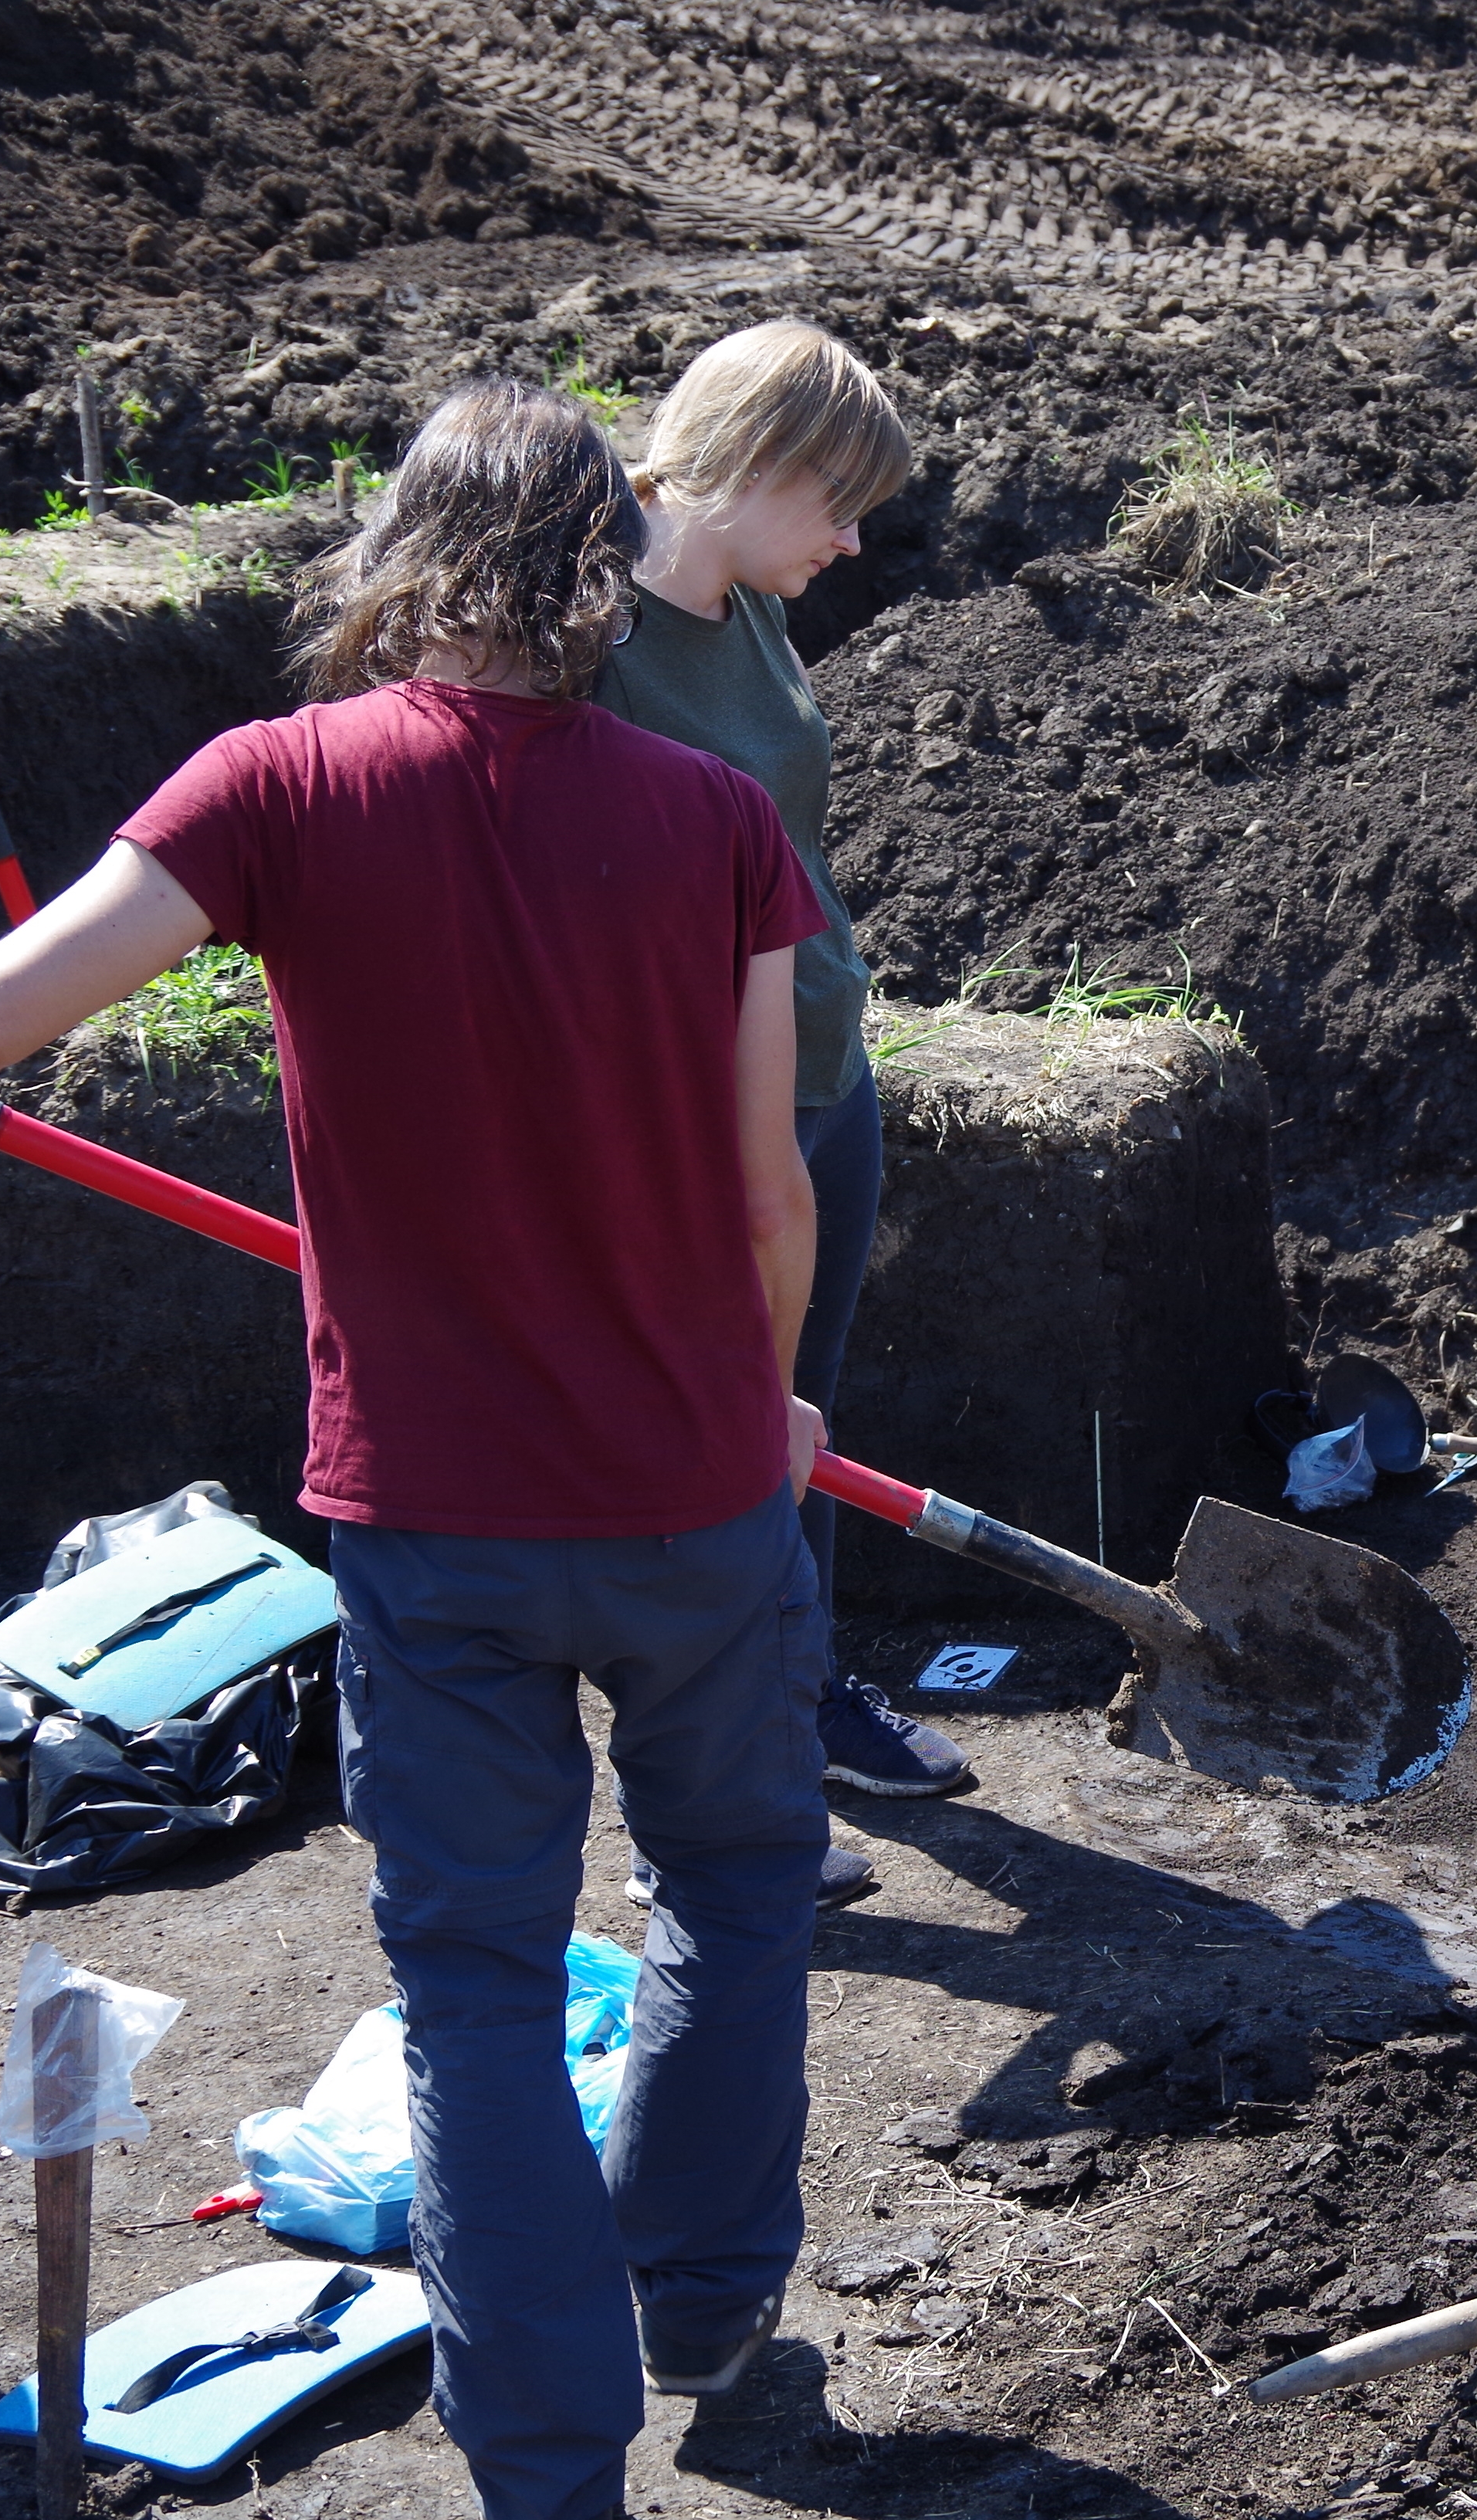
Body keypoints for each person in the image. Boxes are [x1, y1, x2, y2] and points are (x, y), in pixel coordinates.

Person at [0, 381, 836, 2516]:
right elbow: (771, 1200)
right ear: (594, 574)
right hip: (700, 1494)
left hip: (444, 1522)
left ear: (401, 553)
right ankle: (710, 2292)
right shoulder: (714, 823)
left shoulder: (278, 788)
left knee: (475, 1987)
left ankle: (555, 2472)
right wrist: (766, 1394)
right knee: (736, 1893)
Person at [591, 318, 966, 1810]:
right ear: (755, 462)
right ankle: (710, 1774)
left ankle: (799, 1690)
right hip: (693, 1111)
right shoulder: (587, 647)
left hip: (821, 1067)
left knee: (796, 1415)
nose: (857, 537)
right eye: (840, 499)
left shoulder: (746, 601)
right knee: (700, 1438)